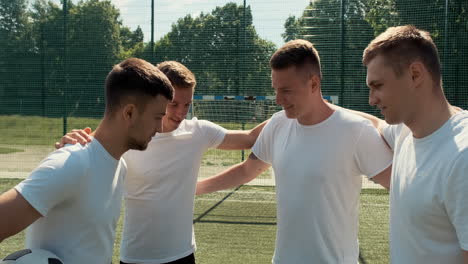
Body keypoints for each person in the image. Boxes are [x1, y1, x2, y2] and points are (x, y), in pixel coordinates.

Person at [196, 39, 393, 263]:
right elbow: (247, 171)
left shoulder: (356, 131)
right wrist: (194, 188)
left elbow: (399, 185)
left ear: (313, 84)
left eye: (286, 91)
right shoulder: (277, 125)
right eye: (276, 90)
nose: (279, 100)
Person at [57, 61, 267, 264]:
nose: (181, 112)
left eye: (187, 104)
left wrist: (286, 112)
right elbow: (88, 148)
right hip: (136, 256)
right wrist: (72, 141)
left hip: (182, 254)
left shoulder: (198, 132)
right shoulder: (131, 135)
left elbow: (250, 138)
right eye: (173, 104)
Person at [0, 58, 174, 264]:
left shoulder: (120, 166)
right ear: (129, 113)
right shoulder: (71, 163)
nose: (161, 128)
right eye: (157, 117)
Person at [363, 25, 468, 263]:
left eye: (377, 86)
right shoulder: (404, 132)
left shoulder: (462, 158)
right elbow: (374, 124)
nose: (371, 100)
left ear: (415, 75)